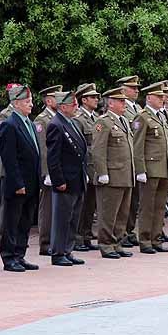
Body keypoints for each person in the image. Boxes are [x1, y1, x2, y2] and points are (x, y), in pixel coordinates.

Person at [0, 84, 41, 272]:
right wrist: (17, 183)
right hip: (18, 182)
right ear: (15, 103)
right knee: (12, 221)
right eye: (26, 101)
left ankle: (20, 254)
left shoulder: (29, 123)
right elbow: (9, 158)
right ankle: (9, 257)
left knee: (25, 221)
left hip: (31, 181)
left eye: (30, 100)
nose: (31, 104)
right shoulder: (9, 124)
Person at [45, 90, 89, 266]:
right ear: (63, 107)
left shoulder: (71, 123)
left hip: (76, 179)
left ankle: (67, 250)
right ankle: (58, 252)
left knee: (73, 218)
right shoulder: (56, 125)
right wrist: (59, 180)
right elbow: (53, 157)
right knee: (62, 219)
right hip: (65, 180)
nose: (76, 107)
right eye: (73, 104)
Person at [92, 87, 135, 259]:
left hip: (125, 175)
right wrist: (102, 172)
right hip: (112, 175)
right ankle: (106, 244)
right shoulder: (104, 122)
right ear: (111, 103)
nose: (124, 104)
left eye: (124, 101)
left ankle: (117, 242)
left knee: (122, 213)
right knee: (108, 213)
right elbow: (98, 150)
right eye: (121, 101)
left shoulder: (123, 121)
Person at [133, 82, 168, 253]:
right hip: (150, 169)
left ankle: (156, 239)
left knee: (159, 207)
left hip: (163, 168)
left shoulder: (163, 116)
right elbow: (138, 145)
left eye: (163, 97)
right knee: (147, 206)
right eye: (158, 97)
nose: (162, 100)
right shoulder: (142, 116)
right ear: (149, 98)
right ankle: (145, 240)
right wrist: (140, 169)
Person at [33, 85, 63, 256]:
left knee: (58, 208)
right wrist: (47, 172)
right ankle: (45, 243)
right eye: (56, 97)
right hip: (49, 172)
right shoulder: (42, 120)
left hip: (59, 170)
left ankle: (56, 241)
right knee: (47, 208)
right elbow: (43, 149)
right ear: (49, 100)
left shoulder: (60, 118)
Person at [72, 83, 101, 251]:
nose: (96, 99)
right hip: (85, 166)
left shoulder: (95, 117)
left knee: (91, 205)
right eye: (93, 97)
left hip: (95, 166)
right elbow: (79, 147)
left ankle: (87, 236)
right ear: (84, 100)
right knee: (82, 205)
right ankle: (77, 238)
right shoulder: (78, 118)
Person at [116, 75, 142, 248]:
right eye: (133, 88)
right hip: (125, 159)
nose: (137, 91)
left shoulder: (138, 107)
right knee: (124, 202)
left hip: (136, 157)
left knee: (134, 200)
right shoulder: (123, 110)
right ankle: (121, 232)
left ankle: (130, 230)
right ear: (123, 90)